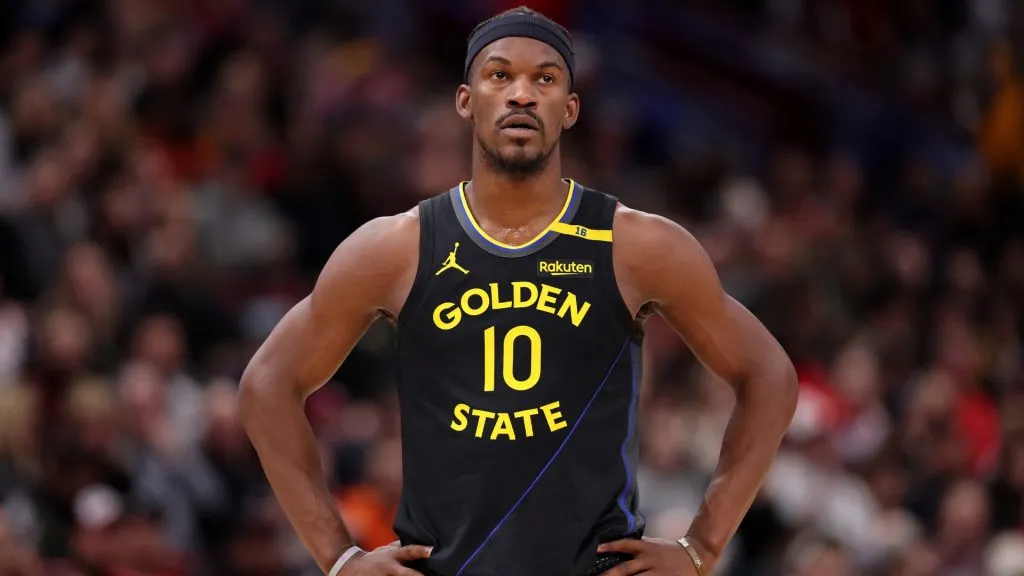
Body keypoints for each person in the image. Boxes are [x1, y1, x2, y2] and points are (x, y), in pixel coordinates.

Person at [239, 6, 799, 576]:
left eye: (546, 79)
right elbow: (267, 385)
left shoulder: (637, 245)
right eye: (500, 75)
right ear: (466, 100)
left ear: (570, 109)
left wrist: (700, 547)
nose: (522, 94)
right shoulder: (395, 248)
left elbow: (770, 375)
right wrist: (339, 558)